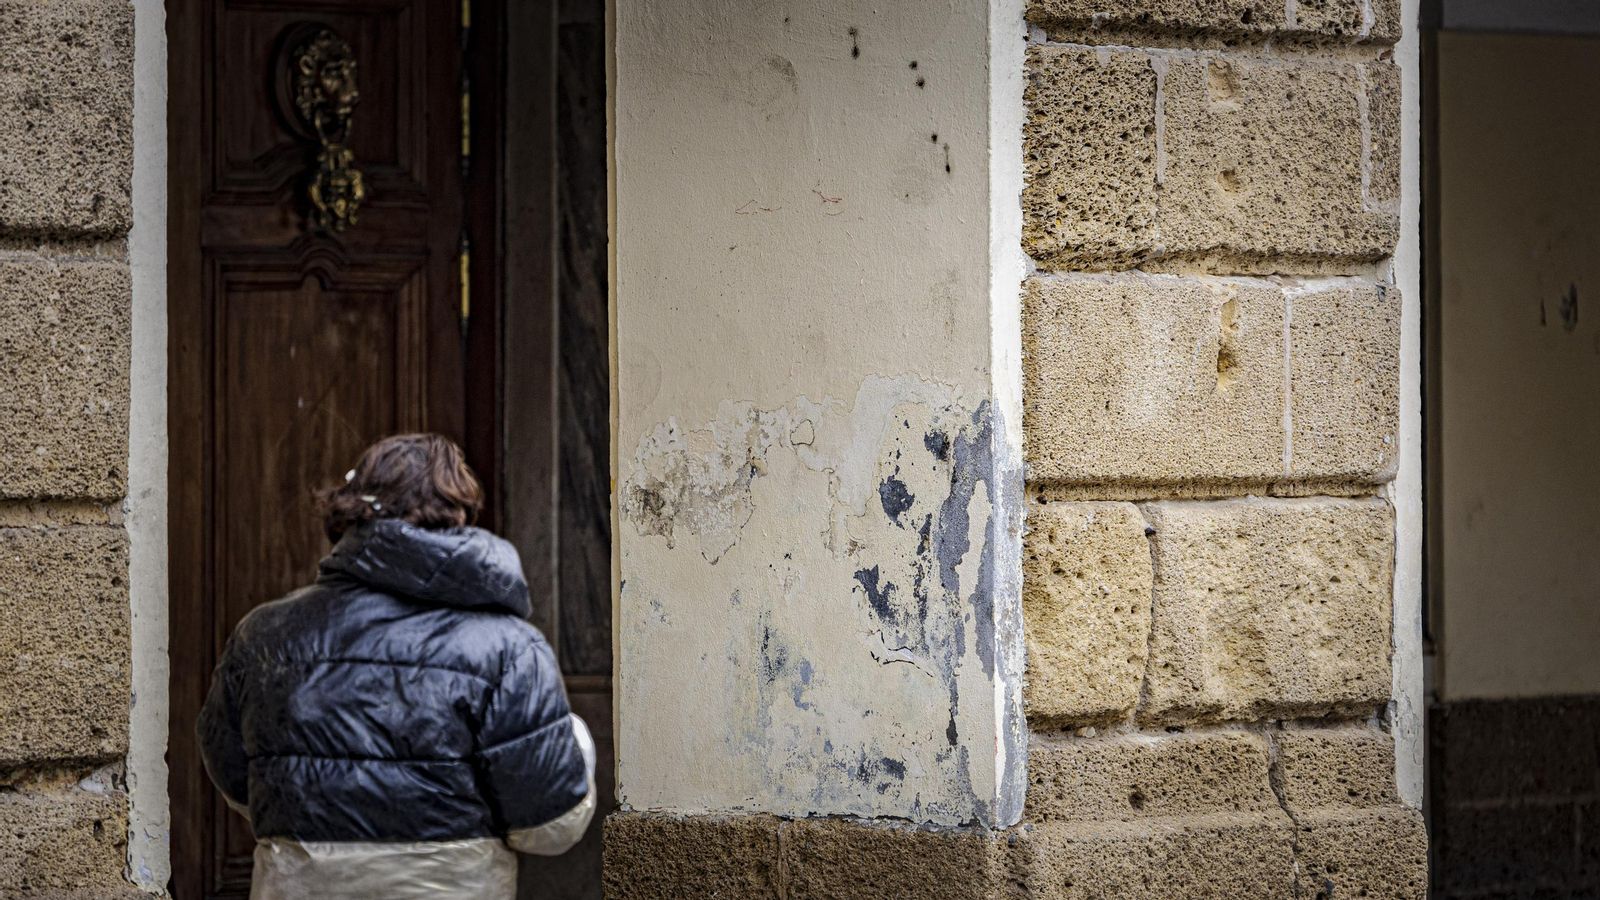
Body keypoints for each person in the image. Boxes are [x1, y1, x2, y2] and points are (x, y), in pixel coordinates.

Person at [198, 433, 594, 900]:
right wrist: (576, 743)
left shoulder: (260, 634)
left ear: (352, 509)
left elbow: (235, 776)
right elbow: (548, 824)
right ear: (459, 511)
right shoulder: (509, 647)